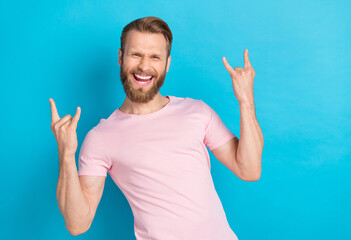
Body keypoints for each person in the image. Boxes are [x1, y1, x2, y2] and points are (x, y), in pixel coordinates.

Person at [49, 16, 263, 239]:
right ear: (121, 57)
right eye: (136, 54)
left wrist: (246, 100)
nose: (144, 66)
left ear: (167, 63)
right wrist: (66, 154)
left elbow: (249, 170)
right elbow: (77, 224)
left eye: (154, 57)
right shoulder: (101, 138)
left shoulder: (197, 112)